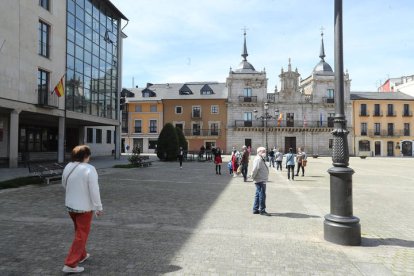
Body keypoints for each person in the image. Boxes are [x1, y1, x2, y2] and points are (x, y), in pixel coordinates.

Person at [62, 145, 103, 274]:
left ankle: (82, 255)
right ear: (86, 156)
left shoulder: (68, 166)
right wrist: (98, 207)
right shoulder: (90, 169)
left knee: (79, 232)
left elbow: (64, 183)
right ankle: (70, 263)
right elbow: (94, 190)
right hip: (84, 207)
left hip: (70, 205)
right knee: (81, 235)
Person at [251, 147, 270, 216]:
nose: (264, 152)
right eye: (263, 151)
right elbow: (255, 169)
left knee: (258, 194)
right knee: (262, 195)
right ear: (258, 152)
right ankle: (262, 210)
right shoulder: (258, 159)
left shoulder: (261, 158)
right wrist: (252, 177)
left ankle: (255, 209)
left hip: (261, 179)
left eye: (265, 151)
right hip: (260, 179)